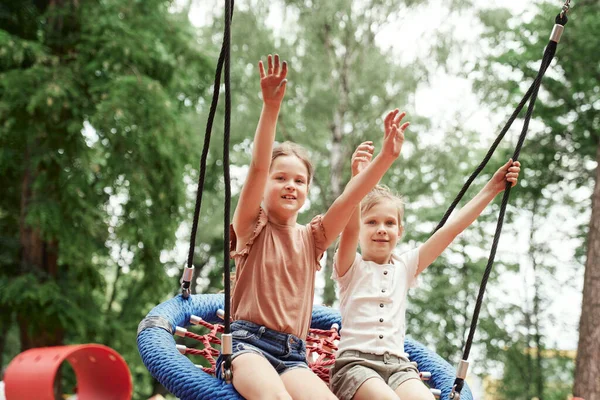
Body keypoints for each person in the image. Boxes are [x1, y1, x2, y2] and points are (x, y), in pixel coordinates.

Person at [215, 53, 410, 400]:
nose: (290, 185)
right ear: (266, 185)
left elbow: (350, 200)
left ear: (307, 190)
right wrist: (271, 108)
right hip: (247, 345)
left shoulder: (312, 238)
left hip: (294, 356)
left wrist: (386, 158)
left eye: (299, 180)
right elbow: (258, 167)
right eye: (281, 178)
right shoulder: (250, 226)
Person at [330, 139, 521, 400]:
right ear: (361, 230)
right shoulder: (350, 267)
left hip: (399, 367)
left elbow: (451, 230)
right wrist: (358, 179)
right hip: (355, 366)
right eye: (371, 222)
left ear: (400, 231)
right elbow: (349, 227)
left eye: (389, 222)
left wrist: (492, 189)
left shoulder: (406, 266)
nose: (382, 228)